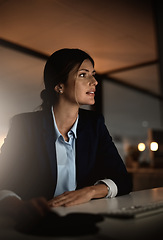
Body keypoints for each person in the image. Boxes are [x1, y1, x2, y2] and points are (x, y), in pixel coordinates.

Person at [0, 48, 132, 227]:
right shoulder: (25, 126)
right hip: (35, 223)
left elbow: (123, 179)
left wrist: (90, 192)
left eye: (93, 74)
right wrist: (18, 207)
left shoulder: (95, 124)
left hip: (81, 219)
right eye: (83, 75)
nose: (94, 82)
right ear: (59, 86)